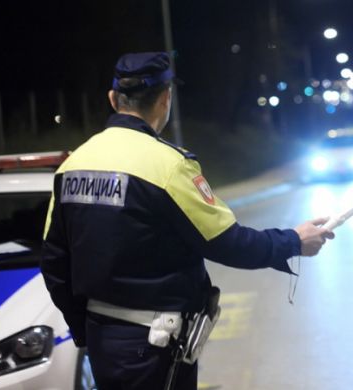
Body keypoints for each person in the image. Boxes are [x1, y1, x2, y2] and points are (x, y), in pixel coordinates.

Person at [40, 51, 334, 390]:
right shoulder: (168, 166)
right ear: (166, 99)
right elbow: (227, 242)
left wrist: (85, 329)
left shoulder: (72, 165)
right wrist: (294, 241)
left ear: (112, 99)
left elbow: (54, 262)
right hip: (155, 345)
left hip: (102, 340)